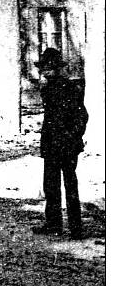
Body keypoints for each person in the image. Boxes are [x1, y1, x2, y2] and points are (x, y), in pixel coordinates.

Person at [36, 48, 88, 239]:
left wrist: (71, 137)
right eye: (43, 68)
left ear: (56, 69)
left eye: (48, 68)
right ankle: (60, 225)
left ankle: (70, 227)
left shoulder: (65, 88)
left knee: (65, 185)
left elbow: (81, 116)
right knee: (56, 185)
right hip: (56, 145)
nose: (44, 72)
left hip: (63, 145)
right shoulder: (49, 88)